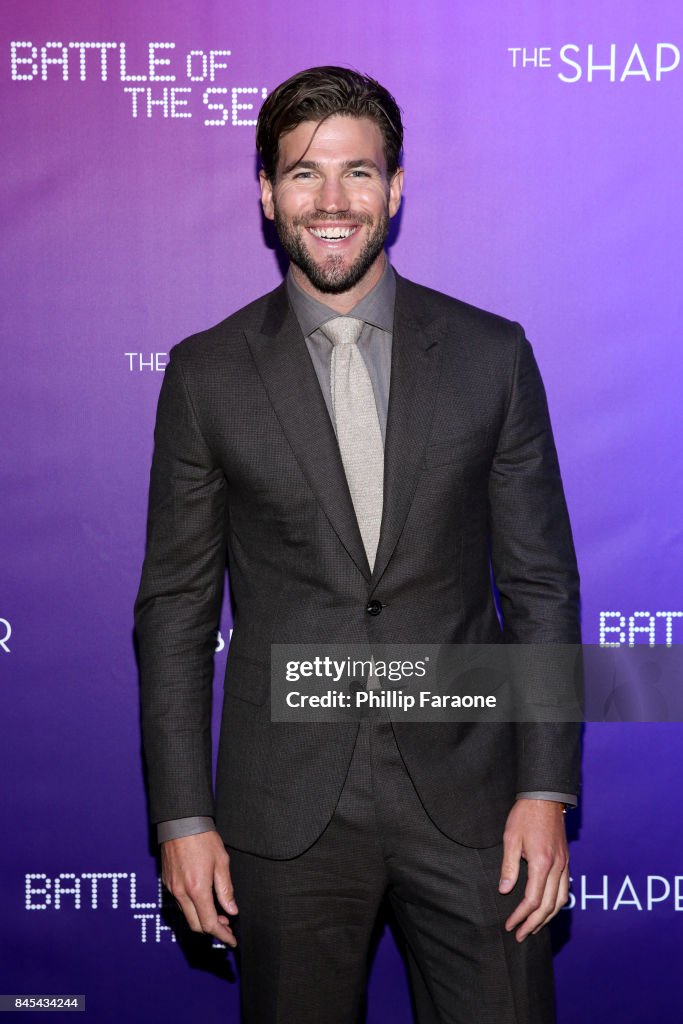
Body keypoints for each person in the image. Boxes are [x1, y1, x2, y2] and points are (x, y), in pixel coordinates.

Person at [134, 66, 581, 1023]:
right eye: (303, 174)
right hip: (282, 811)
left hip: (474, 807)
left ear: (397, 185)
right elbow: (174, 613)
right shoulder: (206, 374)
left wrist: (544, 789)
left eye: (358, 173)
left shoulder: (490, 355)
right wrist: (182, 817)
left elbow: (541, 588)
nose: (332, 202)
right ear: (265, 192)